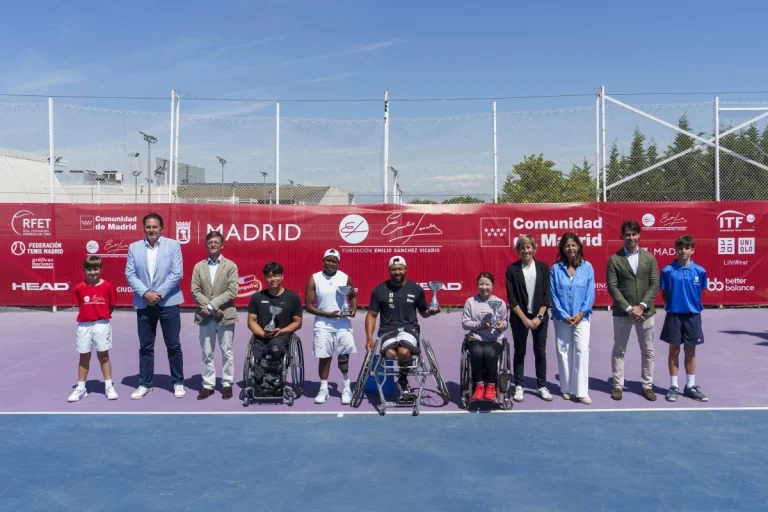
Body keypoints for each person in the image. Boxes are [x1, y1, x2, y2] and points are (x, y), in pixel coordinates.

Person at [125, 212, 185, 400]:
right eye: (148, 227)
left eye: (155, 227)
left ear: (161, 228)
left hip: (168, 302)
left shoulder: (173, 245)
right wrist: (145, 294)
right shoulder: (134, 248)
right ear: (144, 228)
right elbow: (130, 274)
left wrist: (158, 294)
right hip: (144, 303)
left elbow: (177, 273)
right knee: (145, 346)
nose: (151, 230)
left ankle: (177, 382)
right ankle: (145, 384)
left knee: (173, 344)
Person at [365, 255, 439, 400]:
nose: (397, 272)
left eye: (400, 269)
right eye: (393, 269)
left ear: (406, 269)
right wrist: (369, 337)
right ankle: (401, 372)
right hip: (388, 331)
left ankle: (403, 381)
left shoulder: (416, 289)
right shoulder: (379, 290)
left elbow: (423, 312)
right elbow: (372, 315)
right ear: (389, 270)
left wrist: (430, 312)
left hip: (409, 330)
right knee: (391, 354)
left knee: (404, 351)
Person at [606, 219, 660, 401]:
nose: (631, 238)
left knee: (648, 351)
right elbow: (612, 287)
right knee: (619, 350)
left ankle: (647, 386)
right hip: (623, 314)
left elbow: (654, 284)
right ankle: (618, 386)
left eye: (634, 234)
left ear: (639, 235)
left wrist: (642, 306)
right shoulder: (614, 259)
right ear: (622, 236)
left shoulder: (649, 258)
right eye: (627, 234)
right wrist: (629, 308)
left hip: (646, 313)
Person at [304, 248, 357, 405]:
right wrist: (327, 314)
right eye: (328, 260)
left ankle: (346, 387)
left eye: (334, 261)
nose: (331, 263)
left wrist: (353, 308)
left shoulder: (345, 278)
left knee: (343, 357)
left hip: (342, 325)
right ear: (323, 261)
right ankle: (324, 389)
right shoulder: (314, 278)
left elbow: (353, 296)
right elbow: (308, 305)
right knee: (325, 358)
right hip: (323, 324)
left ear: (338, 263)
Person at [190, 230, 239, 400]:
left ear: (222, 245)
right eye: (210, 242)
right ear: (206, 245)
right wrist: (209, 308)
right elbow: (195, 291)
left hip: (225, 315)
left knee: (227, 351)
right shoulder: (198, 266)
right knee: (207, 352)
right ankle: (208, 385)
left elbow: (232, 291)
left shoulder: (231, 266)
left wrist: (212, 305)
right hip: (205, 317)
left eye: (216, 242)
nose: (213, 245)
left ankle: (227, 384)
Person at [660, 235, 708, 402]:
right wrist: (675, 306)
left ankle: (690, 386)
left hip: (693, 316)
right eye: (680, 248)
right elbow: (665, 293)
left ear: (692, 250)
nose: (683, 251)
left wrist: (688, 306)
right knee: (674, 351)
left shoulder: (700, 271)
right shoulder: (667, 271)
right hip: (673, 315)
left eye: (686, 248)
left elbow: (700, 292)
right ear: (676, 250)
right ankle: (674, 386)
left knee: (690, 352)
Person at [505, 234, 552, 402]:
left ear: (534, 248)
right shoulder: (512, 270)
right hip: (519, 318)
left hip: (540, 318)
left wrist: (539, 317)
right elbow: (512, 298)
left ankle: (541, 386)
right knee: (520, 351)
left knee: (540, 351)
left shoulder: (543, 268)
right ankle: (518, 386)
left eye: (528, 247)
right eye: (522, 247)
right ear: (518, 250)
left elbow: (547, 295)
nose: (526, 250)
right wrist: (524, 318)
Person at [550, 232, 595, 404]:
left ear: (578, 247)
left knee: (581, 350)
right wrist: (563, 314)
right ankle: (566, 388)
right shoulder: (555, 269)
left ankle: (581, 391)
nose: (571, 248)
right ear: (562, 248)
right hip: (562, 318)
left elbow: (590, 293)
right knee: (563, 351)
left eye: (573, 245)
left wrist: (582, 313)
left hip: (582, 318)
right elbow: (554, 294)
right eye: (567, 245)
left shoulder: (587, 267)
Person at [246, 262, 303, 394]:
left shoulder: (292, 297)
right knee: (257, 350)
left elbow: (297, 322)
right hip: (262, 337)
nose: (273, 279)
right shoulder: (257, 297)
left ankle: (274, 379)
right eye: (269, 276)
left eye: (276, 275)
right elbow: (251, 321)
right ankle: (262, 378)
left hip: (283, 336)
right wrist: (263, 334)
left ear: (282, 276)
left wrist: (282, 331)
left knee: (275, 347)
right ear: (265, 278)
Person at [68, 256, 118, 402]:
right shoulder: (79, 288)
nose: (93, 272)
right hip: (84, 326)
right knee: (84, 356)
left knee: (103, 356)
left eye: (96, 269)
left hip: (102, 324)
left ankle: (108, 386)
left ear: (101, 269)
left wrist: (100, 316)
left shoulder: (108, 286)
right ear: (84, 271)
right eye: (89, 269)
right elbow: (80, 305)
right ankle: (81, 388)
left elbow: (111, 306)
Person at [462, 272, 508, 402]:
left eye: (487, 284)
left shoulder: (500, 303)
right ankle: (480, 385)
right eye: (481, 284)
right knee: (476, 352)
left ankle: (491, 387)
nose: (484, 287)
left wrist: (499, 325)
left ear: (492, 285)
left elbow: (505, 324)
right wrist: (482, 324)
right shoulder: (470, 302)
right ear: (477, 285)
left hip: (494, 339)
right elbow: (465, 324)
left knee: (488, 352)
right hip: (475, 338)